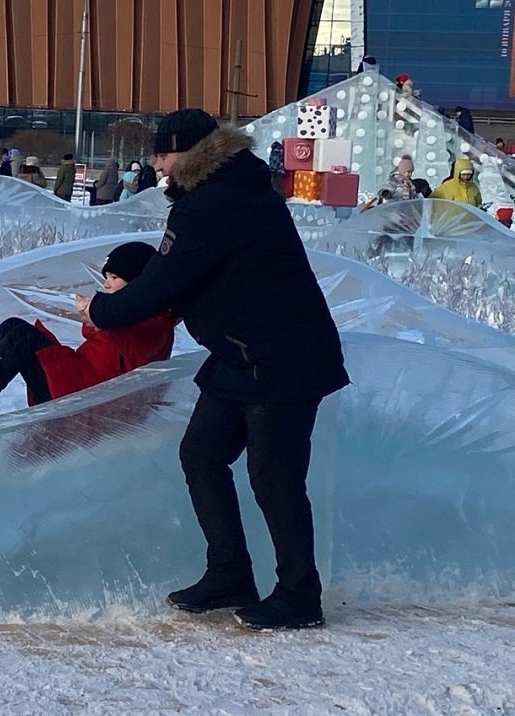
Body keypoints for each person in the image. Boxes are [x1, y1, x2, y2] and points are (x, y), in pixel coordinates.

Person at [76, 109, 349, 631]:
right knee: (201, 454)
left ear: (191, 154)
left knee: (274, 478)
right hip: (240, 356)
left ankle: (299, 593)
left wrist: (102, 310)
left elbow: (163, 282)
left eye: (162, 152)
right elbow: (192, 277)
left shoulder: (211, 204)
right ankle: (229, 573)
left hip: (280, 359)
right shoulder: (236, 191)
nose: (156, 162)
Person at [0, 241, 176, 431]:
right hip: (79, 382)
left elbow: (133, 345)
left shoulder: (156, 320)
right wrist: (97, 314)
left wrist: (97, 312)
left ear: (138, 280)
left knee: (23, 336)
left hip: (87, 398)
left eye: (114, 277)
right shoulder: (133, 313)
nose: (106, 283)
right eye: (106, 276)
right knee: (14, 327)